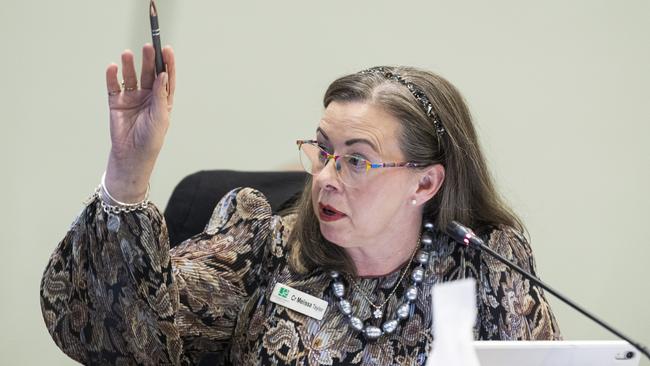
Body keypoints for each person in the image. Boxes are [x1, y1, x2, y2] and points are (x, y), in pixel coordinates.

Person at [40, 44, 561, 365]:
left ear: (424, 184)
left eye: (357, 161)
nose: (326, 178)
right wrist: (128, 174)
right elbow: (119, 334)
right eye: (323, 151)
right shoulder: (263, 252)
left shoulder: (487, 262)